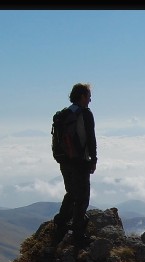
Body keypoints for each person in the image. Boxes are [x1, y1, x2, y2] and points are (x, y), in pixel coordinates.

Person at [52, 82, 97, 246]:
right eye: (89, 96)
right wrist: (94, 160)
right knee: (83, 197)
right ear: (82, 96)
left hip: (64, 160)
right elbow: (91, 139)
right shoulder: (85, 114)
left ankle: (61, 222)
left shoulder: (64, 114)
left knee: (71, 192)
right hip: (80, 161)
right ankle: (78, 233)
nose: (90, 100)